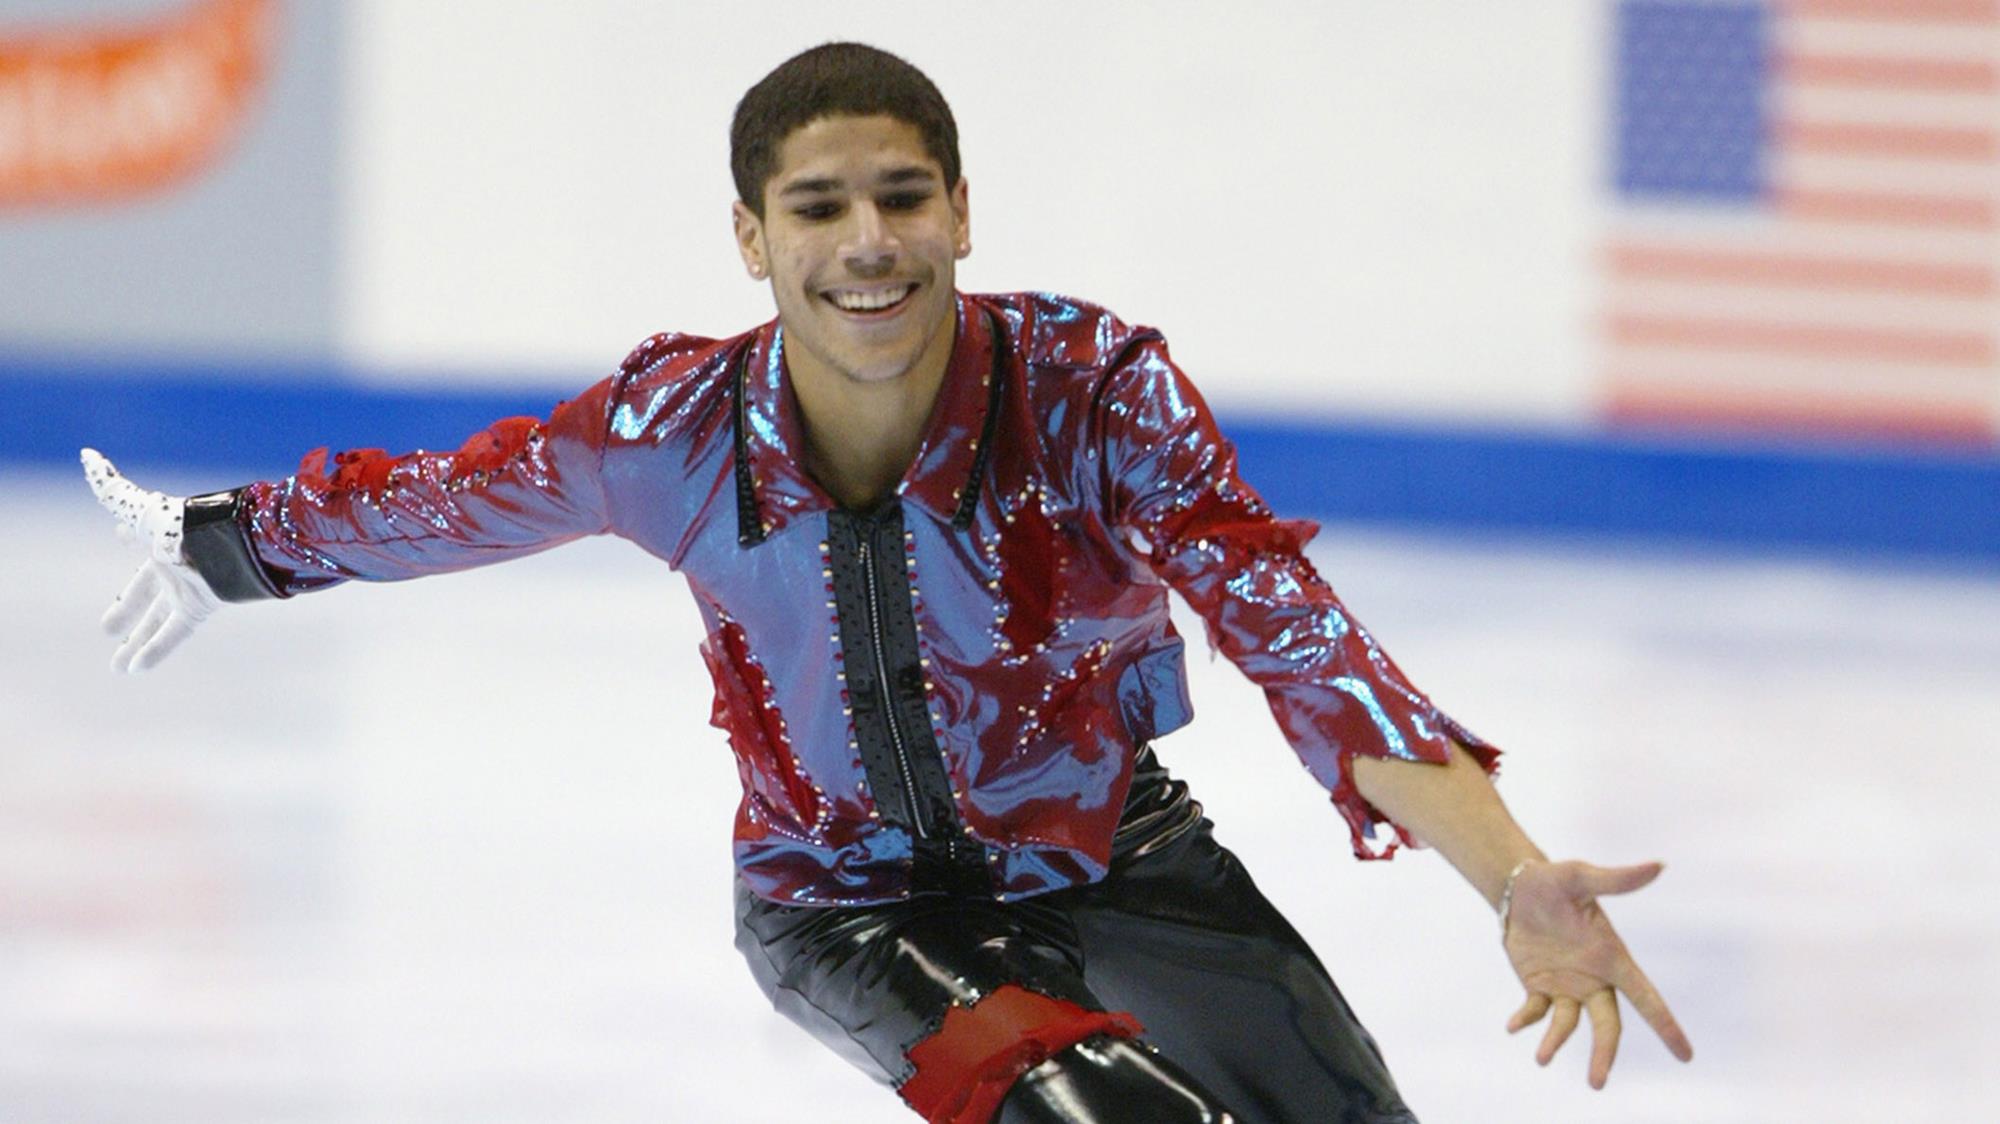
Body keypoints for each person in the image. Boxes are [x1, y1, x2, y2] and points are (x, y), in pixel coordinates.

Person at [82, 42, 1692, 1124]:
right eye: (819, 207)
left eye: (903, 197)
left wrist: (1508, 874)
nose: (869, 242)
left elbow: (1296, 632)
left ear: (962, 208)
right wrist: (229, 548)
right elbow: (451, 502)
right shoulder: (670, 434)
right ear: (751, 236)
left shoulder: (1092, 394)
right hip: (847, 910)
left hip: (1116, 853)